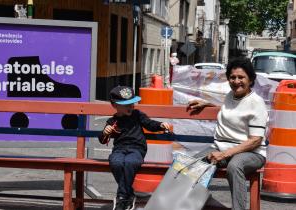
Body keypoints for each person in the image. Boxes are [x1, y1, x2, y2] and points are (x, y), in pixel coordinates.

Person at [187, 58, 268, 210]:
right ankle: (198, 204)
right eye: (232, 77)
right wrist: (207, 104)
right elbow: (232, 110)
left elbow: (256, 140)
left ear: (250, 80)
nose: (236, 81)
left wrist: (224, 154)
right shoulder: (231, 95)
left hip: (251, 152)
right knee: (189, 166)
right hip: (222, 149)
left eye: (241, 77)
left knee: (235, 166)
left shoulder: (256, 103)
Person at [98, 86, 172, 210]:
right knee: (116, 162)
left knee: (130, 162)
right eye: (126, 104)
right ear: (114, 105)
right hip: (119, 149)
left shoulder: (137, 115)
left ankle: (122, 197)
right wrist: (105, 132)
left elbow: (150, 124)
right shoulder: (112, 121)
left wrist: (160, 125)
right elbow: (102, 140)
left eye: (132, 103)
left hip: (137, 149)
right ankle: (129, 194)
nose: (131, 106)